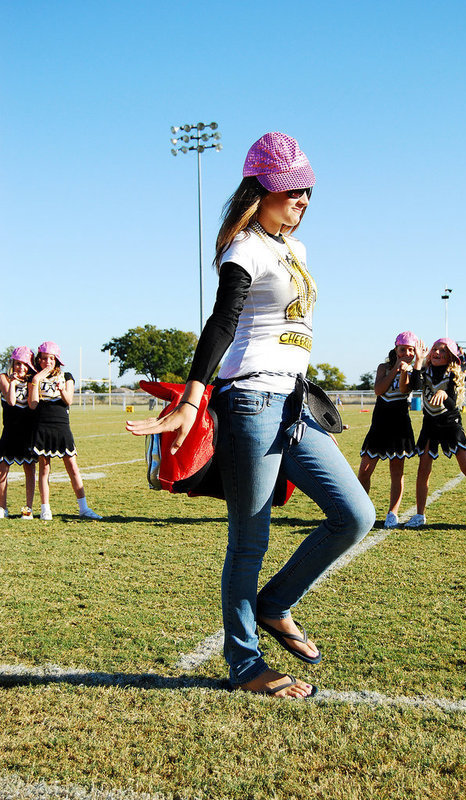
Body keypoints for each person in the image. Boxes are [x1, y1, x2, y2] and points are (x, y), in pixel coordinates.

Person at [127, 132, 375, 698]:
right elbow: (220, 323)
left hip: (293, 402)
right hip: (250, 401)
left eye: (308, 191)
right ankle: (245, 664)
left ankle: (275, 603)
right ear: (260, 191)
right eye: (291, 191)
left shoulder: (295, 249)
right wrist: (193, 397)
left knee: (355, 514)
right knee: (250, 541)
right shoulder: (245, 250)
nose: (302, 201)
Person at [404, 338, 466, 530]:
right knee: (423, 469)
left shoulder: (453, 374)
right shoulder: (426, 370)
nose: (437, 353)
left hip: (450, 424)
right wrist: (418, 362)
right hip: (430, 424)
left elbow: (453, 403)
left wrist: (445, 395)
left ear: (450, 357)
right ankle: (420, 515)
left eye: (443, 351)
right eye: (435, 349)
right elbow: (415, 386)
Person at [358, 331, 425, 528]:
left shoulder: (413, 372)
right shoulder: (383, 367)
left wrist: (406, 370)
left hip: (399, 426)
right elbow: (379, 390)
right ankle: (361, 512)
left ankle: (392, 513)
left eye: (410, 350)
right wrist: (396, 368)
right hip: (379, 426)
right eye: (402, 349)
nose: (406, 353)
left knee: (397, 472)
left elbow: (405, 390)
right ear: (396, 349)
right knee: (364, 471)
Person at [28, 342, 102, 521]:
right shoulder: (34, 378)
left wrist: (61, 389)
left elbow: (69, 400)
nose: (48, 362)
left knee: (73, 468)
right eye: (44, 358)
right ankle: (45, 508)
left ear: (57, 360)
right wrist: (36, 381)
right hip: (42, 426)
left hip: (61, 426)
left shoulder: (66, 376)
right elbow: (32, 404)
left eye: (51, 359)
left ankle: (83, 508)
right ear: (39, 360)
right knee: (44, 469)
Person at [0, 347, 38, 519]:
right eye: (17, 363)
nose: (20, 368)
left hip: (27, 432)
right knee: (2, 470)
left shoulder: (32, 381)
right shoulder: (3, 378)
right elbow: (11, 401)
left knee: (29, 469)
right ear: (12, 364)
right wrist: (13, 383)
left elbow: (32, 405)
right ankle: (2, 508)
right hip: (9, 431)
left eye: (24, 364)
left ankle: (28, 508)